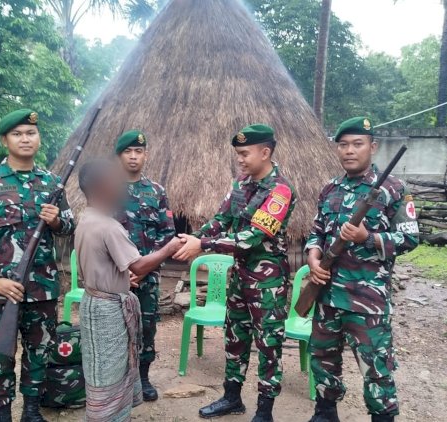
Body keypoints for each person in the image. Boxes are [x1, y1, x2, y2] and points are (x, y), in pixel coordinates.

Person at [175, 124, 297, 422]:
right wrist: (193, 237)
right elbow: (221, 220)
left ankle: (265, 411)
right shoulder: (240, 184)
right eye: (237, 154)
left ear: (265, 152)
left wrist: (203, 245)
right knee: (235, 337)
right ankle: (232, 398)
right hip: (240, 278)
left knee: (268, 345)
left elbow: (252, 238)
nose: (239, 159)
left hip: (268, 283)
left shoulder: (280, 191)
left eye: (244, 153)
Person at [0, 109, 75, 422]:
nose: (25, 139)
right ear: (5, 140)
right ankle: (2, 414)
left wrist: (57, 221)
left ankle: (31, 411)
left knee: (40, 351)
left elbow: (69, 226)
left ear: (38, 138)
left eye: (31, 133)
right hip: (2, 290)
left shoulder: (52, 182)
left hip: (43, 287)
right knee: (0, 355)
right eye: (17, 134)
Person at [304, 117, 419, 422]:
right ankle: (325, 413)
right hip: (328, 296)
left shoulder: (394, 189)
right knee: (322, 359)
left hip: (368, 301)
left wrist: (368, 237)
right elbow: (316, 233)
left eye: (357, 144)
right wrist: (313, 259)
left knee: (376, 369)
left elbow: (410, 239)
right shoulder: (329, 189)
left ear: (373, 146)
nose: (349, 151)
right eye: (343, 145)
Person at [74, 158, 183, 422]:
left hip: (94, 300)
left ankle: (105, 414)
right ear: (102, 187)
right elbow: (139, 265)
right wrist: (168, 248)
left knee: (100, 366)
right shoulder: (109, 226)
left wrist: (122, 279)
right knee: (111, 369)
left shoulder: (86, 219)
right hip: (109, 310)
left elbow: (103, 263)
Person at [114, 130, 176, 401]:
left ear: (145, 155)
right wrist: (124, 269)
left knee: (147, 326)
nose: (133, 156)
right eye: (128, 151)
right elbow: (101, 232)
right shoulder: (109, 190)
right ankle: (118, 381)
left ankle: (143, 378)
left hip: (148, 277)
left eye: (138, 151)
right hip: (115, 275)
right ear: (119, 156)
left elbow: (167, 234)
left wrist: (144, 268)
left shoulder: (156, 192)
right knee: (116, 328)